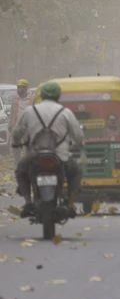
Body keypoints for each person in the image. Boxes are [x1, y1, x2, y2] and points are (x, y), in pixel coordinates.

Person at [12, 81, 84, 217]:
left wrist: (16, 143)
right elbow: (78, 135)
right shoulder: (65, 112)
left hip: (34, 156)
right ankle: (70, 203)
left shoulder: (30, 111)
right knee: (75, 172)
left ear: (42, 95)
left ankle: (27, 201)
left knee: (21, 171)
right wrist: (78, 144)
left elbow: (17, 133)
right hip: (60, 156)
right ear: (58, 96)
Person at [9, 79, 30, 164]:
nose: (18, 90)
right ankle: (18, 164)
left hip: (28, 128)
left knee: (28, 148)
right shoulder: (15, 100)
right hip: (17, 128)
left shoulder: (31, 99)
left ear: (25, 88)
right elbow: (12, 113)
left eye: (21, 87)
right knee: (16, 149)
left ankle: (27, 164)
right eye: (18, 87)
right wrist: (10, 125)